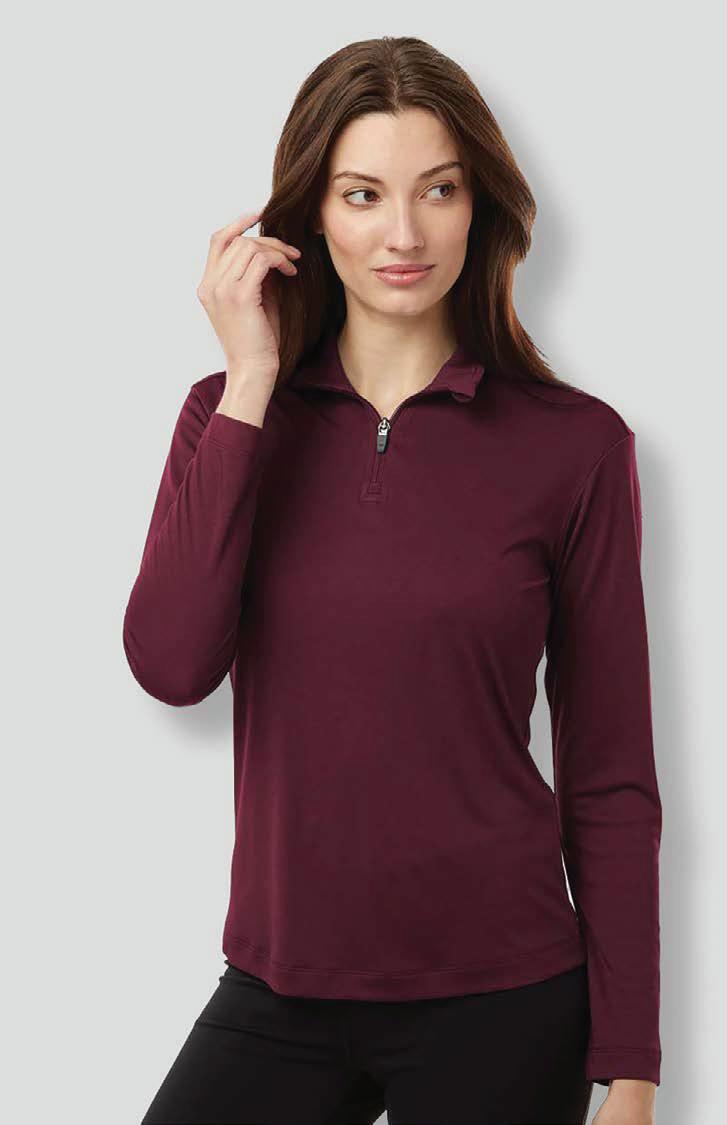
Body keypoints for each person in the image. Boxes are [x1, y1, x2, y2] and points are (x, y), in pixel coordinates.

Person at [124, 35, 662, 1125]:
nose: (404, 234)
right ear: (311, 215)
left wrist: (631, 1066)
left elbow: (609, 776)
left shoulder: (574, 445)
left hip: (505, 997)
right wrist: (251, 376)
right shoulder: (227, 418)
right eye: (363, 194)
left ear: (479, 209)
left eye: (438, 190)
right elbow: (173, 666)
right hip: (278, 986)